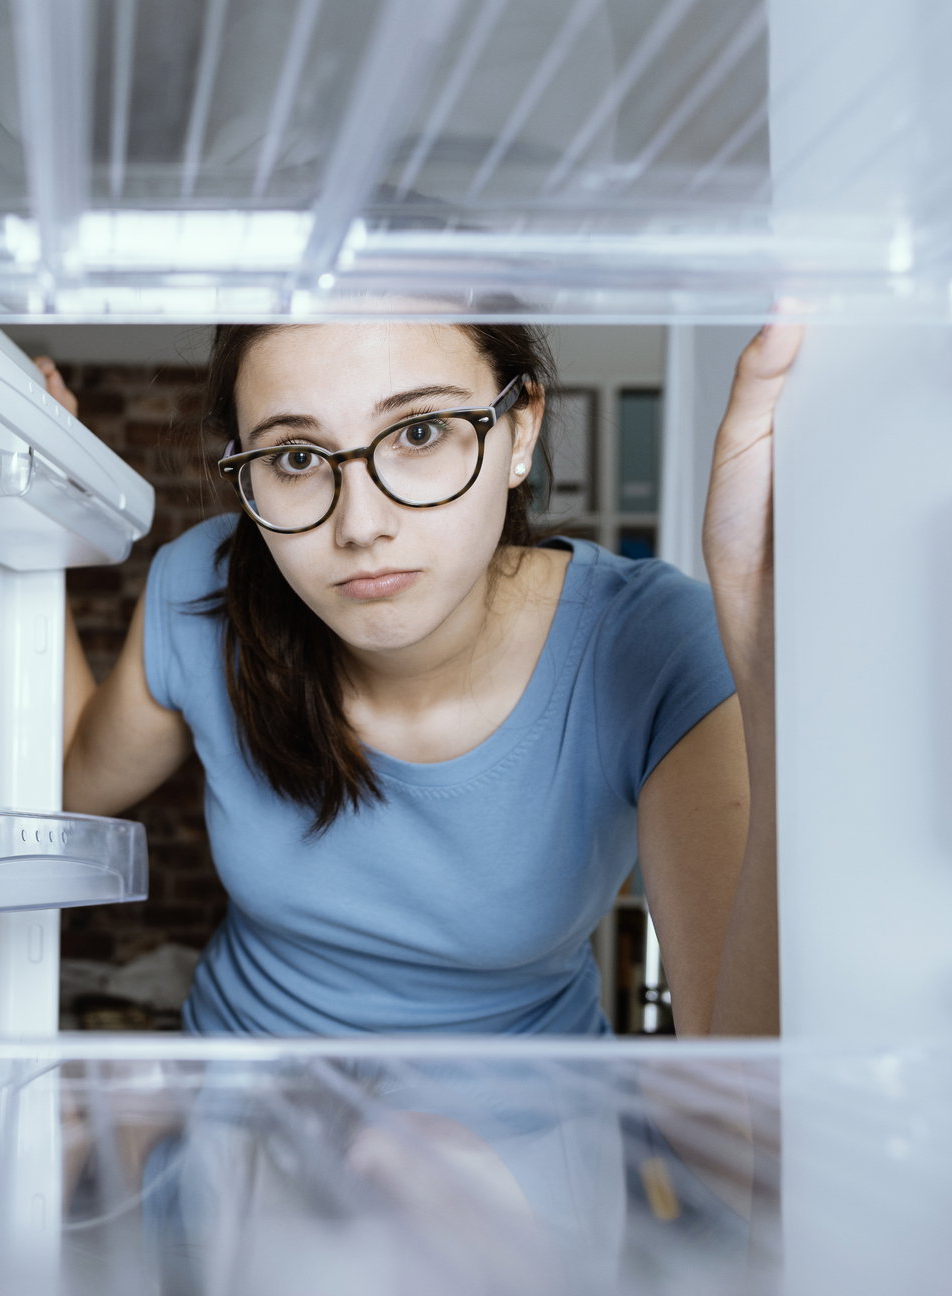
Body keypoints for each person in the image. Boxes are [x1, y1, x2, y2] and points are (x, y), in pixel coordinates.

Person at [45, 321, 799, 1038]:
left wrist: (765, 676)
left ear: (520, 430)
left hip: (525, 1141)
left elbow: (745, 1104)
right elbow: (71, 784)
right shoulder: (201, 590)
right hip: (241, 1120)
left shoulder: (654, 642)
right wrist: (40, 516)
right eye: (297, 458)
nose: (360, 525)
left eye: (418, 432)